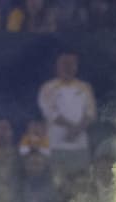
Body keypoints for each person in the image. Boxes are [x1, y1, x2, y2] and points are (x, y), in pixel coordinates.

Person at [37, 52, 96, 184]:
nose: (67, 67)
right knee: (58, 184)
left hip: (80, 146)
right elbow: (49, 112)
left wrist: (77, 130)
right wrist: (72, 127)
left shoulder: (85, 88)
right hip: (56, 146)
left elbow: (91, 113)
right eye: (64, 64)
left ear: (76, 66)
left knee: (81, 184)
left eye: (71, 64)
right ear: (57, 66)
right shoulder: (48, 88)